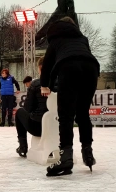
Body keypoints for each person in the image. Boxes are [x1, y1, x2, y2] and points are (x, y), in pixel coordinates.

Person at [39, 11, 100, 177]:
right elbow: (83, 55)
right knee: (82, 114)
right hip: (91, 68)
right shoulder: (82, 39)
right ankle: (88, 152)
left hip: (69, 67)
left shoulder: (56, 38)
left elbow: (47, 65)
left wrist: (45, 85)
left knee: (65, 116)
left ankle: (66, 157)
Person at [15, 58, 48, 157]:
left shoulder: (35, 84)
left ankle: (23, 146)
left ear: (40, 68)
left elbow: (28, 108)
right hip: (59, 127)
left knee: (19, 112)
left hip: (38, 127)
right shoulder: (63, 83)